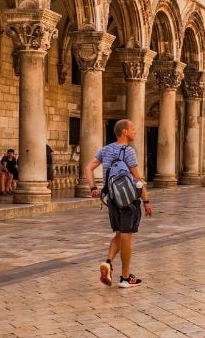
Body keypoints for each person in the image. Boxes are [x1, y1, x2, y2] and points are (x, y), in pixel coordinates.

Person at [86, 119, 153, 288]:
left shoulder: (106, 149)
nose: (135, 132)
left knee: (118, 233)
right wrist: (146, 201)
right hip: (129, 199)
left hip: (113, 199)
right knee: (126, 236)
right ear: (124, 131)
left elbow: (88, 168)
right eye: (133, 129)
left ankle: (108, 263)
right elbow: (137, 179)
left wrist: (93, 187)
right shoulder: (128, 151)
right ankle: (124, 278)